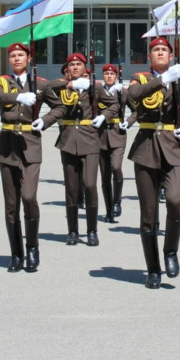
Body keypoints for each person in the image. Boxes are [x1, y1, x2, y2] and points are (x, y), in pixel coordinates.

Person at [127, 37, 180, 289]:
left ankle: (170, 251)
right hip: (146, 147)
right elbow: (133, 97)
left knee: (174, 201)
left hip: (172, 146)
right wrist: (163, 80)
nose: (160, 52)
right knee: (148, 214)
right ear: (149, 57)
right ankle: (153, 269)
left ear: (171, 56)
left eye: (164, 49)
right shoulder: (140, 79)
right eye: (155, 50)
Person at [0, 42, 62, 273]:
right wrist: (19, 97)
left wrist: (46, 120)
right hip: (8, 143)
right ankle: (16, 253)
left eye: (21, 55)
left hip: (31, 143)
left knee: (29, 197)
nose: (16, 59)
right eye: (12, 55)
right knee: (11, 204)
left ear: (29, 59)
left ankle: (32, 248)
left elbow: (60, 107)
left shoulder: (40, 83)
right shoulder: (1, 82)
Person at [45, 52, 118, 246]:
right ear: (67, 68)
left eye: (78, 64)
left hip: (90, 139)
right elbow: (46, 87)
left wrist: (104, 116)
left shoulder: (94, 87)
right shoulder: (61, 87)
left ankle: (92, 230)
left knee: (90, 185)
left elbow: (114, 105)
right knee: (71, 188)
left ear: (85, 68)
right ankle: (72, 231)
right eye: (72, 64)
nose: (75, 67)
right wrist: (69, 85)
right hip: (68, 140)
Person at [98, 63, 134, 222]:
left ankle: (117, 201)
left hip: (117, 132)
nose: (109, 76)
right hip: (99, 135)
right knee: (105, 176)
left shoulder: (123, 92)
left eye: (112, 74)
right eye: (106, 74)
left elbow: (137, 110)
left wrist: (129, 121)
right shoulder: (98, 91)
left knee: (116, 167)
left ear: (117, 76)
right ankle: (108, 210)